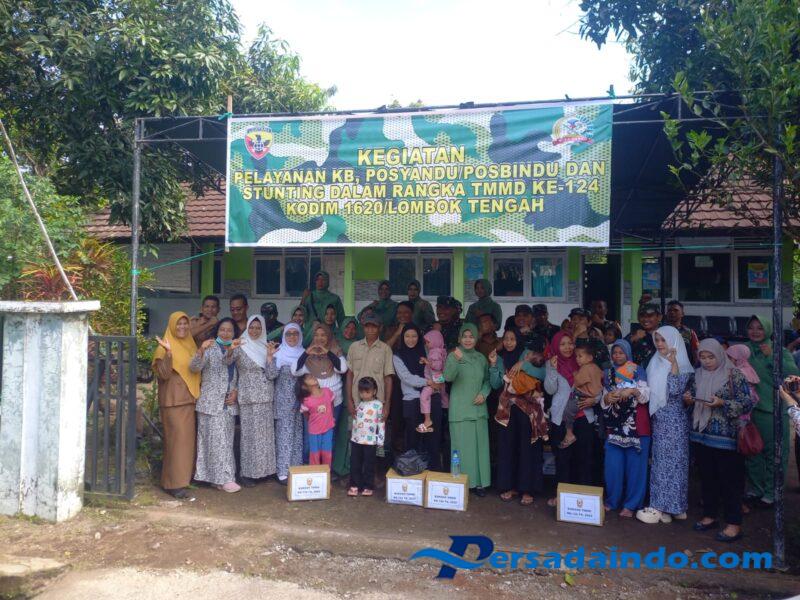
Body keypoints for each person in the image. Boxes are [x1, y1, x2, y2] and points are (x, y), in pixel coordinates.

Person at [685, 338, 754, 542]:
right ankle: (710, 516)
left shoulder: (733, 374)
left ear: (720, 355)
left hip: (726, 438)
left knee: (730, 481)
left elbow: (747, 403)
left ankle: (734, 524)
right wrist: (688, 399)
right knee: (707, 478)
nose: (707, 361)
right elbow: (692, 398)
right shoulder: (697, 374)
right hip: (701, 435)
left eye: (711, 357)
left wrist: (722, 403)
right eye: (703, 357)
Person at [636, 325, 694, 524]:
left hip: (675, 422)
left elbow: (675, 390)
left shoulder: (684, 366)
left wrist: (674, 364)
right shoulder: (655, 362)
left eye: (664, 340)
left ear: (674, 341)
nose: (660, 344)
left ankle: (671, 506)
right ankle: (664, 507)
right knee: (661, 463)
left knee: (675, 465)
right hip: (659, 421)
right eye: (657, 340)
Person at [743, 315, 799, 507]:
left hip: (772, 412)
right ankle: (755, 489)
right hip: (749, 412)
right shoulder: (743, 351)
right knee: (752, 452)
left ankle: (772, 493)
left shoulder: (779, 351)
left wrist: (771, 357)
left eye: (760, 328)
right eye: (751, 327)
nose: (755, 331)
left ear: (768, 330)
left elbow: (793, 376)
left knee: (774, 454)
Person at [489, 328, 548, 505]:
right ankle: (509, 486)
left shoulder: (527, 355)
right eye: (506, 339)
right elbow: (495, 384)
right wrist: (493, 365)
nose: (508, 342)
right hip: (507, 411)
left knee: (527, 448)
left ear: (519, 340)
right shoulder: (500, 358)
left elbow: (543, 374)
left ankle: (527, 489)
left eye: (512, 339)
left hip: (527, 411)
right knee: (508, 448)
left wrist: (523, 364)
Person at [545, 331, 598, 505]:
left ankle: (584, 499)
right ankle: (562, 497)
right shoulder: (551, 363)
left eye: (570, 343)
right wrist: (552, 370)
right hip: (561, 418)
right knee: (562, 458)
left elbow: (598, 386)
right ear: (556, 346)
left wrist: (595, 400)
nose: (567, 347)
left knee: (584, 458)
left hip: (584, 416)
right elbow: (550, 389)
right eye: (562, 344)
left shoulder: (584, 361)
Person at [153, 312, 200, 499]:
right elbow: (163, 374)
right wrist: (169, 353)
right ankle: (173, 483)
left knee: (186, 443)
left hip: (188, 400)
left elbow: (195, 369)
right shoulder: (163, 347)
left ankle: (182, 480)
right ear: (172, 325)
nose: (182, 327)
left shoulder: (190, 344)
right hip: (173, 401)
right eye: (178, 324)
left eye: (185, 324)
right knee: (176, 443)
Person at [190, 318, 241, 493]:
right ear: (217, 331)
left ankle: (219, 478)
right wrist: (201, 350)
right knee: (213, 442)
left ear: (234, 333)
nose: (225, 333)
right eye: (222, 330)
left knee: (225, 442)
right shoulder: (210, 347)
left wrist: (236, 392)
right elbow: (194, 368)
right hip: (210, 403)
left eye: (229, 330)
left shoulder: (237, 348)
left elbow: (240, 374)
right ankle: (223, 479)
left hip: (228, 404)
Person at [601, 339, 650, 517]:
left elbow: (645, 396)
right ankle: (612, 501)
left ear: (628, 354)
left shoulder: (638, 371)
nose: (617, 356)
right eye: (614, 353)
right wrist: (607, 398)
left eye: (621, 352)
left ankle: (631, 505)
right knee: (613, 467)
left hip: (637, 427)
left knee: (636, 469)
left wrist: (633, 391)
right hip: (615, 427)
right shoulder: (608, 373)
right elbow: (603, 400)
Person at [443, 323, 491, 496]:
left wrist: (484, 393)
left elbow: (487, 381)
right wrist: (456, 359)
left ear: (476, 338)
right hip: (460, 411)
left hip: (479, 410)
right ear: (459, 338)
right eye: (465, 336)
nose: (468, 340)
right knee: (460, 450)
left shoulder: (481, 358)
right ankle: (460, 482)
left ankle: (480, 484)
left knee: (480, 449)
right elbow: (448, 377)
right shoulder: (453, 355)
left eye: (471, 336)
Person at [229, 315, 276, 486]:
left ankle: (265, 471)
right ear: (247, 328)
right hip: (247, 396)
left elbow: (272, 375)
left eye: (258, 328)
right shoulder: (240, 345)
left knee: (265, 436)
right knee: (249, 436)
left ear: (263, 329)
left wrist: (270, 357)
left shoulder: (266, 347)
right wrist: (230, 349)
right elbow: (228, 365)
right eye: (252, 327)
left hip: (265, 397)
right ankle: (248, 473)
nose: (255, 331)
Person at [293, 323, 348, 464]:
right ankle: (310, 468)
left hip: (334, 402)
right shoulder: (308, 355)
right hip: (312, 405)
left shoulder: (335, 351)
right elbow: (295, 370)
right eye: (316, 335)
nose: (319, 338)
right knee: (310, 438)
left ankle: (326, 469)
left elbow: (342, 368)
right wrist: (307, 353)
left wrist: (327, 352)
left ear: (328, 336)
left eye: (323, 335)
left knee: (329, 437)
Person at [267, 322, 304, 485]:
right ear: (284, 336)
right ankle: (282, 471)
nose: (292, 337)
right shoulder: (279, 353)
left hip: (300, 401)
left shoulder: (304, 353)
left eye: (295, 333)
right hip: (283, 401)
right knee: (284, 435)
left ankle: (295, 469)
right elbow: (270, 375)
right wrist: (270, 358)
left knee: (297, 435)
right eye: (289, 334)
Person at [346, 313, 395, 425]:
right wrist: (349, 400)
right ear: (363, 328)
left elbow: (388, 378)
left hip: (378, 401)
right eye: (367, 326)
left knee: (377, 431)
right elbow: (350, 374)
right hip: (357, 399)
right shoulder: (354, 347)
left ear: (380, 328)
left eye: (374, 327)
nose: (370, 330)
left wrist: (387, 404)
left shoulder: (385, 349)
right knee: (357, 431)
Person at [331, 317, 364, 478]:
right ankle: (338, 467)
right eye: (346, 328)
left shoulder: (360, 346)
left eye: (353, 328)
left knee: (351, 432)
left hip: (355, 391)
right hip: (338, 392)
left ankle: (349, 467)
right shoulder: (335, 343)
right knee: (339, 433)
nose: (350, 331)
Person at [560, 344, 603, 449]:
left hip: (582, 396)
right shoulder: (595, 367)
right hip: (594, 395)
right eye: (576, 356)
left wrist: (575, 374)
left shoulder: (585, 368)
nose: (577, 359)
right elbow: (602, 375)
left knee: (567, 411)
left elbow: (578, 381)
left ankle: (569, 433)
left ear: (590, 358)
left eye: (580, 356)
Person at [348, 376, 385, 496]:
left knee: (369, 465)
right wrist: (352, 435)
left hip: (370, 441)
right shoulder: (360, 404)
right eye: (362, 392)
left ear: (374, 391)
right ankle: (354, 485)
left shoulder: (378, 405)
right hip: (356, 440)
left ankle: (368, 486)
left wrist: (380, 440)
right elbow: (355, 421)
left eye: (367, 392)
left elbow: (381, 423)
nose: (364, 394)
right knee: (355, 463)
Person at [297, 373, 335, 465]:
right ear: (304, 387)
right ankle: (315, 472)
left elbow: (331, 404)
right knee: (314, 454)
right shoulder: (306, 400)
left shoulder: (327, 392)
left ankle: (326, 471)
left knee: (327, 453)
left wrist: (331, 418)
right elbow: (306, 414)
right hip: (314, 432)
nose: (312, 376)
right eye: (308, 378)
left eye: (312, 375)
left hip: (328, 429)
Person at [418, 329, 448, 434]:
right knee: (443, 395)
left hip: (435, 379)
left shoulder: (435, 352)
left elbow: (437, 366)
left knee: (424, 396)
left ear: (435, 341)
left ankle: (427, 419)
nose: (426, 344)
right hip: (439, 378)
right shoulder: (439, 351)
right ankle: (446, 410)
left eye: (428, 342)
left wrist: (427, 362)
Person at [626, 303, 662, 368]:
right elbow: (619, 350)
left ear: (659, 317)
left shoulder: (666, 334)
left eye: (650, 316)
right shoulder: (634, 334)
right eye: (642, 316)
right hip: (637, 373)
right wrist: (632, 339)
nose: (645, 319)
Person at [666, 300, 700, 365]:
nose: (672, 312)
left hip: (684, 368)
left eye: (676, 310)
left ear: (682, 314)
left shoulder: (690, 333)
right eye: (669, 310)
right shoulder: (660, 331)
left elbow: (696, 354)